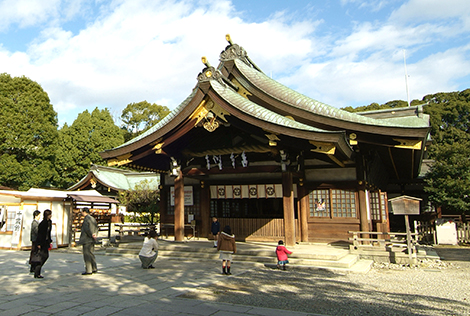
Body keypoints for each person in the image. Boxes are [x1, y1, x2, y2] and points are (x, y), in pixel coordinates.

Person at [79, 207, 99, 275]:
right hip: (92, 239)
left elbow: (86, 229)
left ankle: (89, 270)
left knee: (87, 254)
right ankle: (94, 268)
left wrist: (91, 235)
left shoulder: (86, 219)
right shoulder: (93, 218)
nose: (81, 213)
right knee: (91, 253)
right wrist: (95, 234)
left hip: (87, 239)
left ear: (84, 212)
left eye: (82, 212)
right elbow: (96, 227)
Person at [34, 209, 52, 279]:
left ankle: (37, 270)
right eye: (49, 214)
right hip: (41, 242)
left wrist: (50, 240)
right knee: (42, 256)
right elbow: (40, 234)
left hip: (46, 241)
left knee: (45, 256)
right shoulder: (43, 223)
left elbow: (49, 232)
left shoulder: (49, 222)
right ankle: (37, 271)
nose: (50, 216)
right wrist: (38, 243)